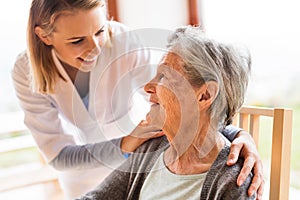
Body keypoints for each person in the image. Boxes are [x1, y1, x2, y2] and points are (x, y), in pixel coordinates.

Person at [12, 0, 263, 199]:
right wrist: (126, 143)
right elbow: (59, 156)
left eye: (100, 31)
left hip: (138, 162)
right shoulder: (25, 72)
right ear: (45, 36)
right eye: (77, 41)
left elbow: (184, 100)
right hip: (85, 177)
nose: (96, 48)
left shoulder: (123, 43)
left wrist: (236, 134)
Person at [77, 26, 256, 200]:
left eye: (164, 77)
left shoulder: (233, 182)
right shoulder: (152, 147)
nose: (147, 87)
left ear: (204, 95)